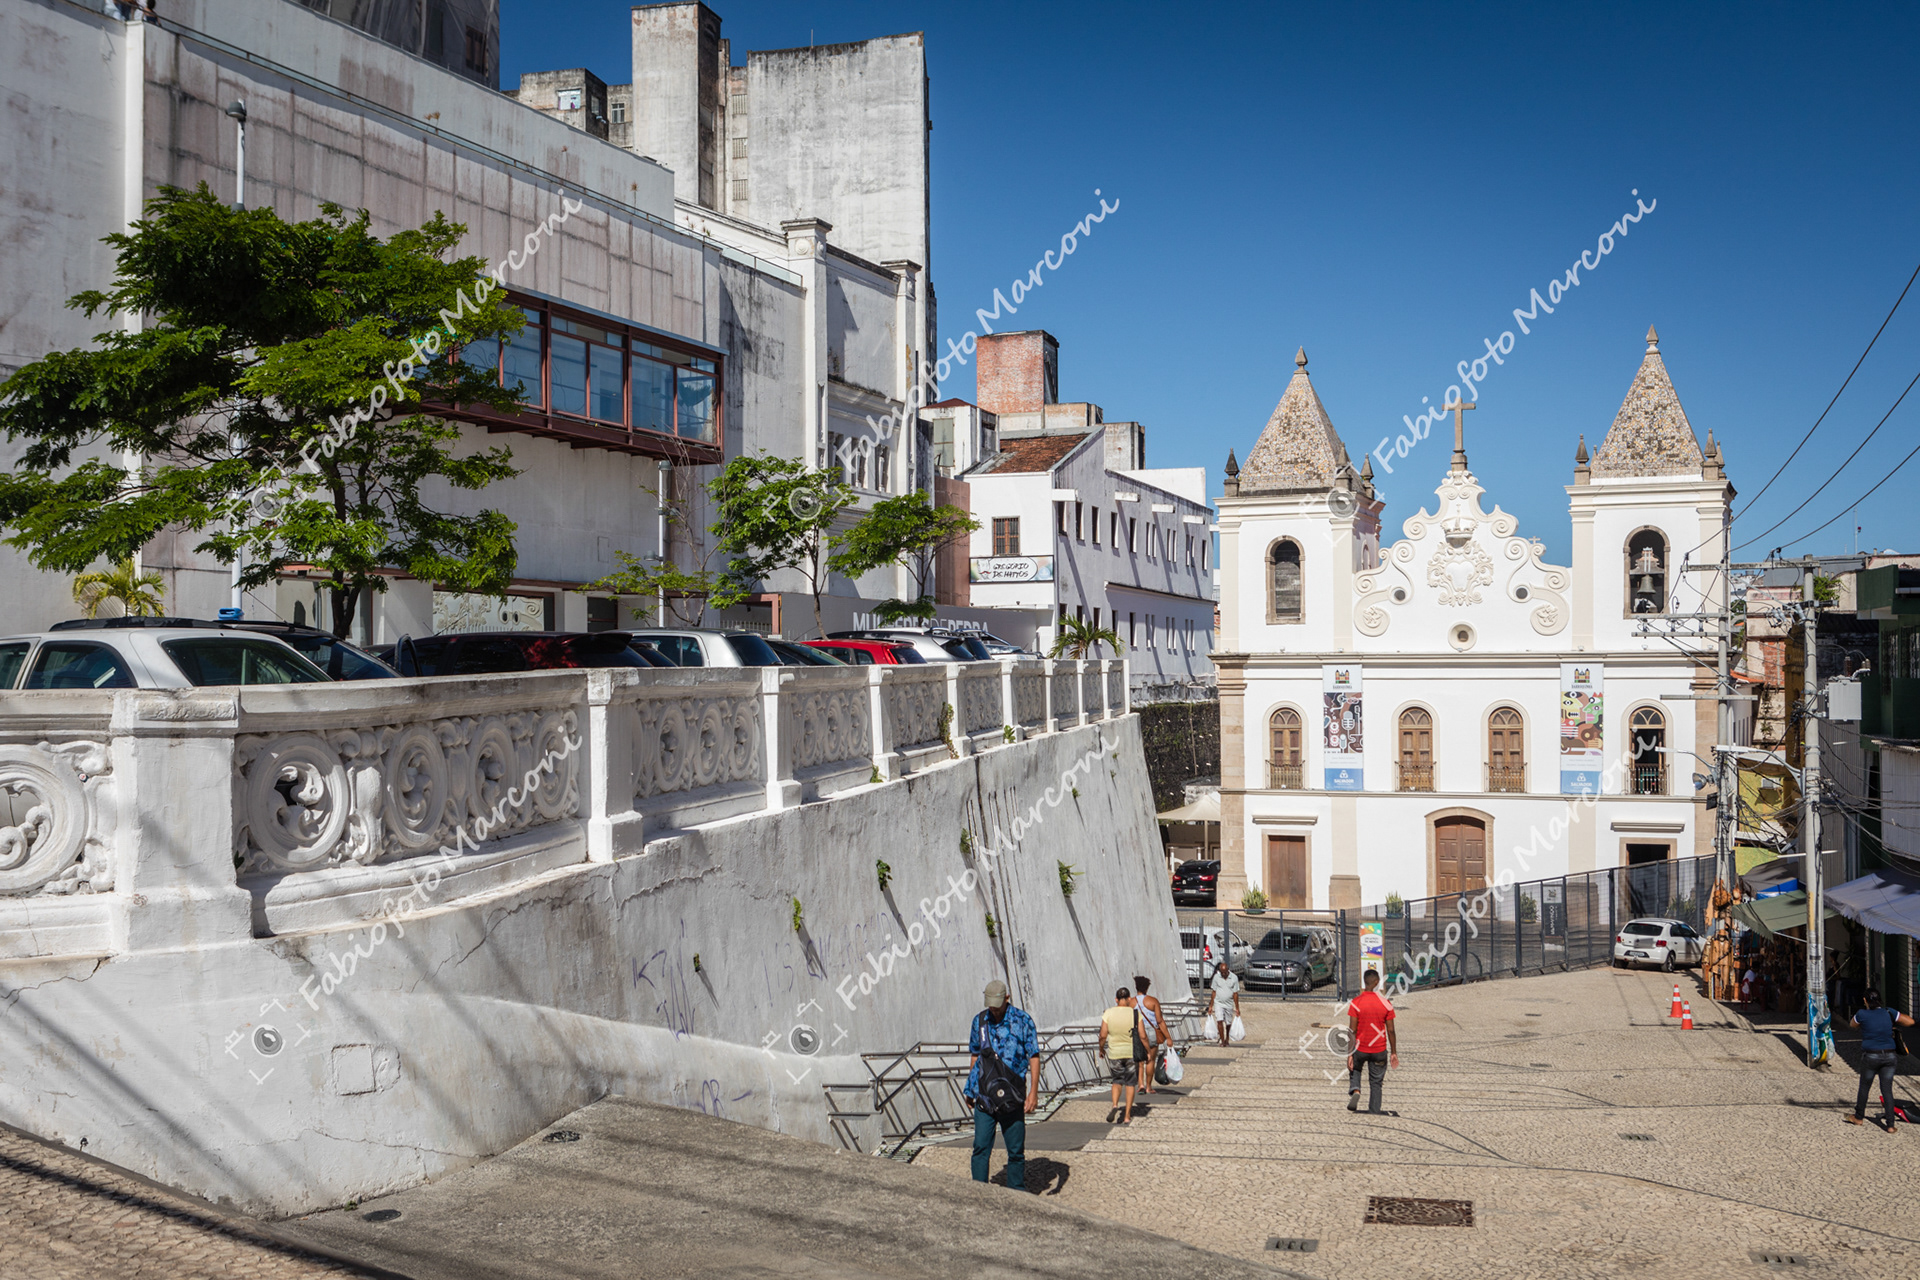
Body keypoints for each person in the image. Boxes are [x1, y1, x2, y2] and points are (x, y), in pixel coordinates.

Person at [966, 978, 1040, 1187]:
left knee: (1016, 1151)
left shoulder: (1023, 1020)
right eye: (990, 1005)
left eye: (997, 1006)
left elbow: (1034, 1056)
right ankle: (978, 1191)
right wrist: (970, 1088)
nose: (994, 1011)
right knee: (980, 1147)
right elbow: (975, 1055)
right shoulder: (979, 1022)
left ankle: (1016, 1193)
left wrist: (1033, 1092)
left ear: (1007, 998)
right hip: (984, 1095)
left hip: (1013, 1094)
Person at [1846, 987, 1914, 1131]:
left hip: (1871, 1056)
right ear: (1879, 1000)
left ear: (1865, 1000)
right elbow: (1910, 1021)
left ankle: (1858, 1117)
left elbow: (1852, 1024)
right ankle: (1890, 1125)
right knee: (1887, 1090)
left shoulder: (1862, 1014)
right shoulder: (1889, 1012)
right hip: (1889, 1056)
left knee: (1864, 1087)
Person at [1345, 968, 1399, 1114]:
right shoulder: (1386, 1003)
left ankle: (1356, 1089)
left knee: (1354, 1068)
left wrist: (1349, 1054)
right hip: (1379, 1050)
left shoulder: (1356, 1003)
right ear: (1377, 983)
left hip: (1360, 1048)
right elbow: (1391, 1030)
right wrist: (1393, 1052)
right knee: (1376, 1082)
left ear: (1364, 983)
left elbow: (1352, 1031)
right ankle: (1374, 1110)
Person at [1098, 987, 1143, 1124]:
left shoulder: (1108, 1013)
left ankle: (1115, 1105)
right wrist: (1145, 1049)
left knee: (1117, 1081)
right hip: (1130, 1053)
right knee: (1130, 1083)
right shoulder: (1135, 1014)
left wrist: (1101, 1049)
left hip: (1114, 1053)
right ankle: (1127, 1115)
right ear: (1129, 999)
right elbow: (1142, 1035)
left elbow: (1102, 1035)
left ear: (1116, 999)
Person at [1132, 974, 1171, 1094]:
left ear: (1136, 987)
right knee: (1150, 1060)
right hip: (1152, 1031)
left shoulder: (1131, 1002)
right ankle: (1149, 1086)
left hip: (1138, 1031)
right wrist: (1168, 1038)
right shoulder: (1153, 1001)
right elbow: (1160, 1021)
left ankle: (1141, 1085)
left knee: (1139, 1061)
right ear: (1147, 988)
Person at [1208, 960, 1241, 1047]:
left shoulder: (1234, 978)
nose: (1223, 974)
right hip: (1218, 1002)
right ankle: (1222, 1040)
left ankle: (1227, 1038)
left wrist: (1237, 1008)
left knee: (1228, 1022)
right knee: (1219, 1020)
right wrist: (1211, 1006)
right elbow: (1214, 992)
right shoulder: (1216, 977)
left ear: (1228, 970)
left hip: (1229, 1003)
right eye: (1222, 973)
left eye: (1225, 973)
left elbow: (1235, 994)